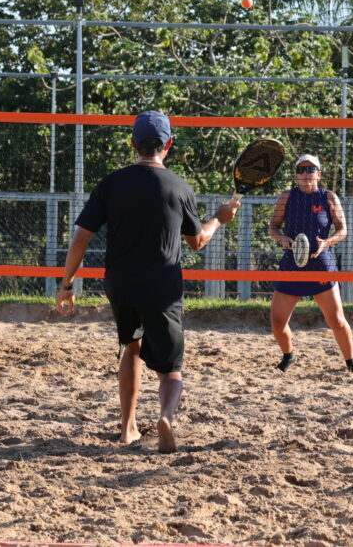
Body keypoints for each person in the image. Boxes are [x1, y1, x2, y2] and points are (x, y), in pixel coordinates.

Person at [55, 111, 239, 453]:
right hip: (163, 285)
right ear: (168, 145)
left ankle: (127, 429)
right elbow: (197, 242)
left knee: (132, 347)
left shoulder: (111, 183)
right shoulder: (180, 187)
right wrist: (219, 217)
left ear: (133, 144)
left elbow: (80, 237)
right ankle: (165, 417)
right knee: (170, 369)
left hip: (120, 283)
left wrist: (66, 284)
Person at [267, 154, 353, 374]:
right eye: (301, 170)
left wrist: (326, 243)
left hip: (321, 262)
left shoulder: (329, 197)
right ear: (296, 175)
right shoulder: (286, 197)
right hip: (292, 262)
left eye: (311, 170)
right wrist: (281, 239)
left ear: (319, 174)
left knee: (336, 319)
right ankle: (288, 356)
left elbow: (343, 230)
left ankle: (351, 362)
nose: (305, 174)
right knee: (277, 320)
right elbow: (273, 226)